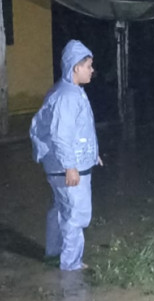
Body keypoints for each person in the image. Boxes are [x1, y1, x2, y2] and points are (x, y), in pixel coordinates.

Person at [30, 40, 101, 272]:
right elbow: (61, 135)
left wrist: (93, 155)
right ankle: (71, 265)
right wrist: (71, 166)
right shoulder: (68, 97)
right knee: (75, 214)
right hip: (67, 168)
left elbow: (80, 131)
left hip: (62, 164)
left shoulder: (68, 91)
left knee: (60, 209)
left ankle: (53, 254)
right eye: (88, 65)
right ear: (75, 68)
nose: (92, 70)